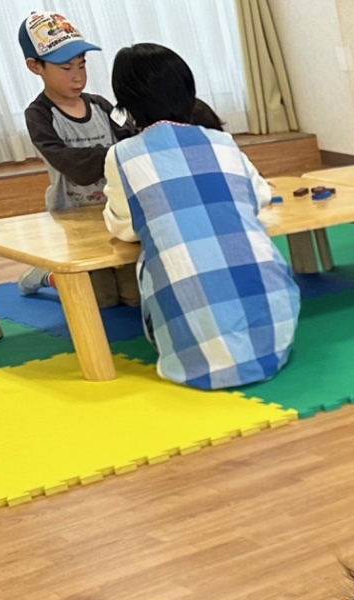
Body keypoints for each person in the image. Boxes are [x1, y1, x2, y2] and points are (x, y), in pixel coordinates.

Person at [100, 44, 298, 389]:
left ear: (126, 104)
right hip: (277, 322)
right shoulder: (222, 141)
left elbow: (125, 228)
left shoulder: (122, 155)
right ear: (188, 92)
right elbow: (260, 196)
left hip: (194, 345)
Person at [16, 12, 137, 306]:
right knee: (102, 299)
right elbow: (70, 163)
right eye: (66, 68)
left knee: (133, 297)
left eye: (82, 65)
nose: (77, 76)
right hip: (73, 216)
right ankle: (48, 275)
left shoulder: (101, 105)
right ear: (35, 66)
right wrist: (114, 153)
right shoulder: (39, 115)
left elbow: (130, 138)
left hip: (114, 212)